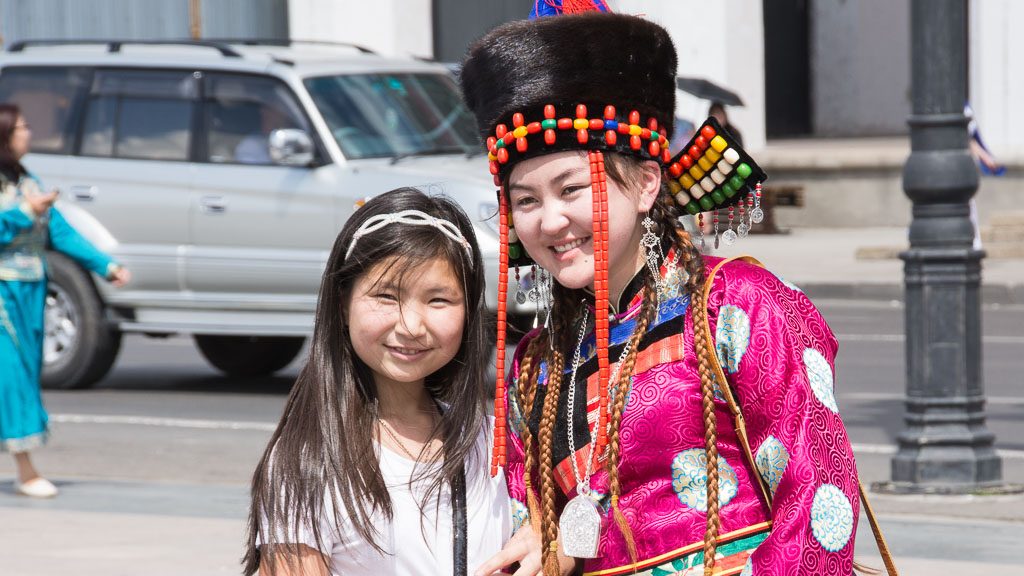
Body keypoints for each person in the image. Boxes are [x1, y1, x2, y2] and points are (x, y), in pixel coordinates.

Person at [460, 7, 862, 576]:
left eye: (571, 189)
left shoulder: (736, 305)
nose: (550, 221)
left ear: (647, 183)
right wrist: (542, 540)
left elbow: (819, 497)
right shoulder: (534, 367)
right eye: (525, 200)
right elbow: (536, 520)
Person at [243, 188, 511, 576]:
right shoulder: (310, 462)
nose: (411, 326)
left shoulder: (495, 443)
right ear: (343, 304)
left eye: (438, 300)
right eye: (386, 296)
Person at [0, 103, 130, 498]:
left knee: (23, 370)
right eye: (21, 127)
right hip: (3, 295)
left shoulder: (29, 181)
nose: (28, 133)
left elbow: (61, 231)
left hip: (33, 291)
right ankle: (26, 470)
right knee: (14, 377)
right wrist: (24, 212)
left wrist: (106, 265)